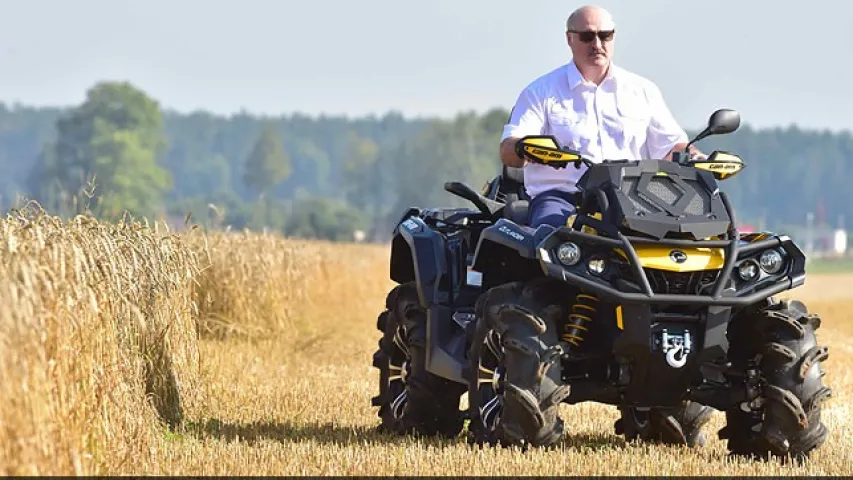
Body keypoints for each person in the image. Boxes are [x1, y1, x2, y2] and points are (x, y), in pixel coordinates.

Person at [499, 5, 705, 228]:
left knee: (690, 236)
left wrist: (695, 156)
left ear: (613, 36)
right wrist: (524, 148)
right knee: (553, 237)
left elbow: (672, 146)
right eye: (587, 36)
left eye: (604, 35)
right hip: (563, 198)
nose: (597, 44)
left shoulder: (643, 90)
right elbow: (509, 149)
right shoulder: (540, 92)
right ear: (569, 39)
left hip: (636, 198)